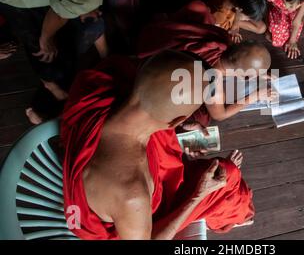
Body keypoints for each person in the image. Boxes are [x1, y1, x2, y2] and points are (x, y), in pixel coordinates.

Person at [61, 51, 255, 240]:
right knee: (228, 176)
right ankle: (236, 216)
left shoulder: (100, 81)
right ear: (177, 120)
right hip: (127, 216)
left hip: (110, 183)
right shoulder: (132, 195)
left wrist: (179, 132)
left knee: (219, 172)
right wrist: (198, 196)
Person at [0, 0, 176, 123]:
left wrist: (81, 3)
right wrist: (46, 38)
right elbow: (59, 15)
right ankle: (49, 84)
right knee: (43, 50)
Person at [138, 8, 275, 125]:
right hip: (154, 73)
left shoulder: (223, 37)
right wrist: (256, 96)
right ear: (243, 76)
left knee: (200, 11)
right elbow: (220, 115)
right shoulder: (213, 81)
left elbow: (239, 59)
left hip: (153, 38)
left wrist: (256, 72)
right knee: (202, 118)